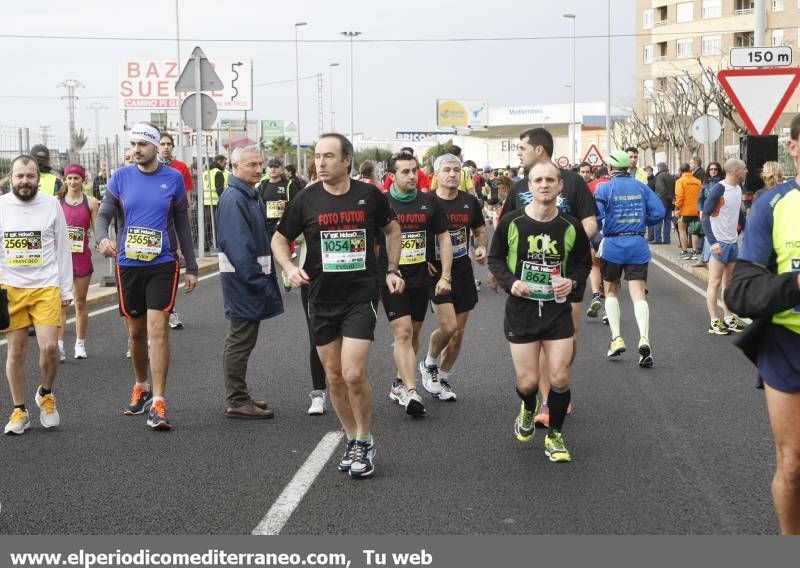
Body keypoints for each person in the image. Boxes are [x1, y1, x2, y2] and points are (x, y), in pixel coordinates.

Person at [272, 133, 404, 478]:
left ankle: (365, 439)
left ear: (347, 160)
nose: (321, 162)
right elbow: (279, 238)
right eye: (317, 156)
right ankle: (352, 438)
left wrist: (391, 269)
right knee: (333, 377)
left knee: (353, 373)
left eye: (329, 156)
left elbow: (393, 230)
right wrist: (288, 267)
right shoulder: (306, 198)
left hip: (361, 295)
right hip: (320, 297)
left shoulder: (369, 196)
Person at [723, 113, 800, 534]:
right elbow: (741, 294)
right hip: (789, 344)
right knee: (793, 464)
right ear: (793, 147)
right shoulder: (773, 205)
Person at [96, 122, 199, 430]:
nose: (136, 149)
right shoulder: (120, 177)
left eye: (143, 143)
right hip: (128, 264)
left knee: (158, 331)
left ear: (156, 147)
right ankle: (142, 385)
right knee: (137, 334)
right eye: (133, 144)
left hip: (162, 263)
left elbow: (182, 222)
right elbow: (103, 215)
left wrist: (191, 266)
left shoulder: (174, 178)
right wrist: (102, 238)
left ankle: (160, 402)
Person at [488, 161, 591, 462]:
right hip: (521, 311)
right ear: (529, 186)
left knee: (559, 376)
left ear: (560, 186)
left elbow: (584, 264)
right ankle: (528, 404)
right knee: (528, 382)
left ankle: (555, 436)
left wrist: (571, 281)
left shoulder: (571, 226)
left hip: (557, 311)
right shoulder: (511, 222)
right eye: (538, 180)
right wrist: (512, 282)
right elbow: (495, 260)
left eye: (550, 180)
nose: (544, 185)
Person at [497, 128, 597, 427]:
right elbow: (505, 234)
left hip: (564, 279)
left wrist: (570, 247)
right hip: (527, 285)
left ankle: (556, 386)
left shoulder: (576, 182)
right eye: (537, 181)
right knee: (534, 350)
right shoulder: (518, 189)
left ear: (539, 150)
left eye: (522, 148)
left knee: (566, 339)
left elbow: (589, 223)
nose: (518, 152)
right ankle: (543, 401)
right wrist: (505, 277)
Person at [1, 155, 73, 435]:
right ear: (11, 177)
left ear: (37, 178)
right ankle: (19, 410)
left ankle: (45, 393)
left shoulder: (51, 204)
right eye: (19, 176)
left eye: (30, 176)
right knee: (16, 351)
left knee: (50, 348)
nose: (25, 182)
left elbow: (63, 248)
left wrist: (65, 288)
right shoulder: (2, 206)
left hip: (46, 285)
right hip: (10, 287)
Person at [380, 151, 452, 416]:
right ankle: (411, 391)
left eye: (414, 170)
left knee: (415, 332)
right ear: (392, 176)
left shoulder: (429, 202)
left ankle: (399, 382)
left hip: (421, 276)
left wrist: (444, 273)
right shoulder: (382, 203)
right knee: (403, 333)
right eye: (405, 172)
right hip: (391, 278)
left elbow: (443, 237)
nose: (412, 176)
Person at [216, 146, 284, 418]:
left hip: (247, 280)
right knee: (240, 341)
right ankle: (237, 400)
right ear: (235, 167)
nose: (259, 169)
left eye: (261, 164)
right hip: (243, 282)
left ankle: (239, 396)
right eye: (252, 165)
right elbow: (238, 247)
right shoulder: (235, 198)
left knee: (243, 339)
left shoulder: (249, 194)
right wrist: (258, 281)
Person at [418, 154, 487, 403]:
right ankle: (429, 363)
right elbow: (411, 234)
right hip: (436, 273)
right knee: (448, 326)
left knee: (458, 332)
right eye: (446, 170)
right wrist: (421, 259)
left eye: (457, 170)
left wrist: (481, 247)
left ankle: (443, 377)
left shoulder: (469, 202)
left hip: (463, 270)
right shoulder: (426, 202)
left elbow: (479, 230)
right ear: (436, 175)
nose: (452, 174)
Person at [595, 150, 665, 367]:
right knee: (638, 294)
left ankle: (616, 338)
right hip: (637, 244)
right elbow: (660, 212)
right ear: (629, 168)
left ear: (609, 169)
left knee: (611, 291)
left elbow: (596, 218)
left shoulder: (604, 188)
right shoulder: (641, 187)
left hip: (613, 245)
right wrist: (642, 221)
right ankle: (644, 339)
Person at [56, 164, 99, 361]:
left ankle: (80, 344)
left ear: (83, 180)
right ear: (65, 180)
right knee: (61, 304)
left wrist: (102, 243)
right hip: (60, 259)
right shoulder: (56, 202)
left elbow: (97, 229)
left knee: (80, 302)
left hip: (81, 257)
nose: (72, 182)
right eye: (69, 178)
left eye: (76, 178)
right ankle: (59, 346)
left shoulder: (91, 203)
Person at [702, 158, 747, 336]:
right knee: (714, 282)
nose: (746, 171)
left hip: (732, 242)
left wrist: (747, 229)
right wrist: (713, 243)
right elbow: (705, 215)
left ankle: (728, 317)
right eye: (744, 168)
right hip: (719, 243)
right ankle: (714, 321)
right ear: (735, 171)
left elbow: (739, 213)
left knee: (728, 283)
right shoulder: (719, 188)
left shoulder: (738, 188)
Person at [159, 133, 193, 330]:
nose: (165, 147)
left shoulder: (181, 168)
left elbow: (185, 201)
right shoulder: (150, 167)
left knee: (170, 271)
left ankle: (170, 310)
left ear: (173, 146)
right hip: (153, 226)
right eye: (162, 144)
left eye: (168, 144)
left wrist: (184, 232)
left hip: (172, 225)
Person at [674, 163, 702, 260]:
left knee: (682, 230)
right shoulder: (698, 181)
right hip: (696, 210)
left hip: (684, 211)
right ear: (690, 171)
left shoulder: (680, 181)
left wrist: (677, 208)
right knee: (694, 232)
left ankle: (684, 252)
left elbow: (679, 197)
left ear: (680, 171)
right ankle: (694, 252)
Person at [652, 162, 675, 245]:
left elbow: (661, 189)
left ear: (659, 168)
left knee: (658, 221)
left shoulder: (659, 176)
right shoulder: (671, 176)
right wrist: (671, 198)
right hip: (669, 202)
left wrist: (665, 197)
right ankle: (667, 239)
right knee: (668, 222)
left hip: (661, 202)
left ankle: (657, 239)